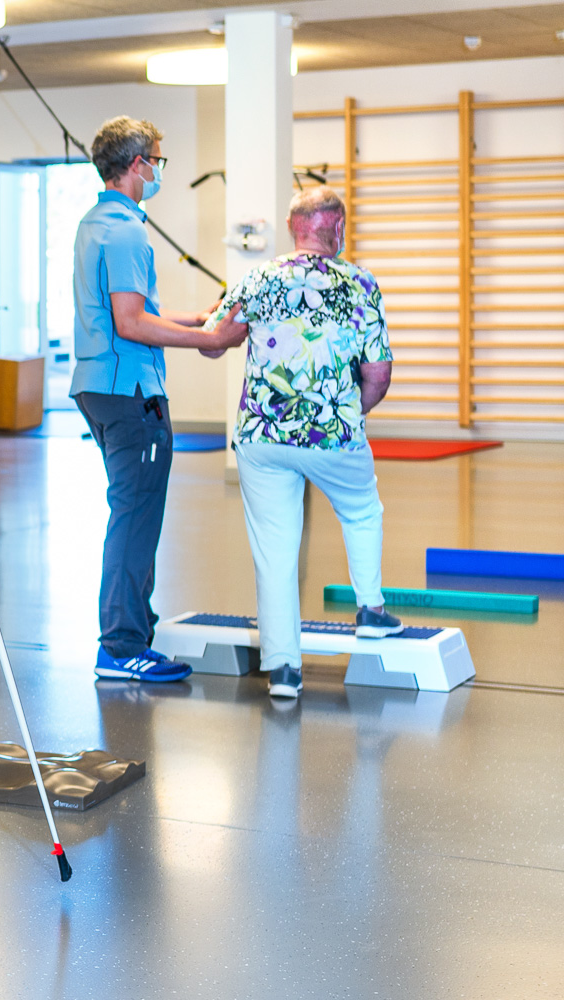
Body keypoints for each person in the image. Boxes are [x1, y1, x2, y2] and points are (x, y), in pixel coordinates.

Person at [206, 186, 403, 700]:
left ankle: (285, 673)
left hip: (261, 434)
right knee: (361, 510)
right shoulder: (358, 282)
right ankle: (371, 611)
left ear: (295, 227)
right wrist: (344, 413)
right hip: (332, 432)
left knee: (274, 547)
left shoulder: (257, 277)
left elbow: (213, 342)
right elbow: (378, 374)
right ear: (335, 228)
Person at [72, 115, 248, 684]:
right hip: (130, 393)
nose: (158, 169)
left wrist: (197, 316)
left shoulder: (95, 223)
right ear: (136, 164)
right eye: (156, 158)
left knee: (135, 510)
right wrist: (209, 339)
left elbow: (133, 307)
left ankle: (134, 627)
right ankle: (121, 645)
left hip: (100, 388)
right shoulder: (126, 231)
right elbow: (130, 322)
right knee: (136, 515)